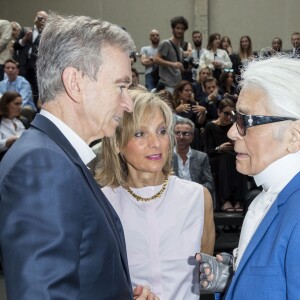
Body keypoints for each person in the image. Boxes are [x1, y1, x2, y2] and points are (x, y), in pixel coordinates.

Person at [0, 13, 157, 300]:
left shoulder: (55, 157)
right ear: (75, 82)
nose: (128, 103)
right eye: (121, 86)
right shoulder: (44, 166)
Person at [96, 88, 215, 300]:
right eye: (140, 133)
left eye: (161, 131)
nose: (155, 143)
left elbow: (204, 278)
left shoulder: (198, 198)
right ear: (116, 143)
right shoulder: (101, 204)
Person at [197, 56, 300, 299]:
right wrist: (234, 277)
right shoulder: (269, 196)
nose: (232, 132)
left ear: (294, 135)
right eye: (235, 118)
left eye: (246, 120)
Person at [204, 98, 248, 211]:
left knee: (237, 158)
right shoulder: (210, 127)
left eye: (231, 114)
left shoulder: (234, 127)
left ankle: (239, 200)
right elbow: (206, 151)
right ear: (219, 112)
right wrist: (219, 148)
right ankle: (225, 200)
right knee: (226, 158)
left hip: (231, 157)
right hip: (215, 158)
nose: (229, 117)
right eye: (226, 113)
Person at [13, 10, 48, 107]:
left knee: (36, 90)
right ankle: (19, 106)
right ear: (35, 18)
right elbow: (16, 46)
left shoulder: (47, 34)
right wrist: (24, 39)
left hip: (37, 66)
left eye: (43, 18)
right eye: (39, 17)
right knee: (21, 85)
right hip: (24, 64)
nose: (40, 20)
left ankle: (36, 111)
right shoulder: (25, 30)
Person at [173, 117, 215, 196]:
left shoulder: (201, 157)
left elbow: (210, 184)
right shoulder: (165, 157)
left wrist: (193, 190)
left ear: (192, 137)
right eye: (178, 133)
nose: (181, 137)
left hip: (195, 197)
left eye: (186, 134)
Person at [155, 16, 187, 93]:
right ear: (173, 29)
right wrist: (172, 64)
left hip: (177, 86)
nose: (180, 31)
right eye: (178, 28)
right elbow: (156, 59)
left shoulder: (180, 49)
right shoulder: (166, 43)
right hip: (166, 85)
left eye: (182, 28)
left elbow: (177, 68)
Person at [0, 91, 28, 161]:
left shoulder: (23, 121)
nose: (20, 107)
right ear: (6, 105)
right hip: (5, 159)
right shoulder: (1, 122)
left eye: (21, 104)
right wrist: (8, 141)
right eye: (16, 104)